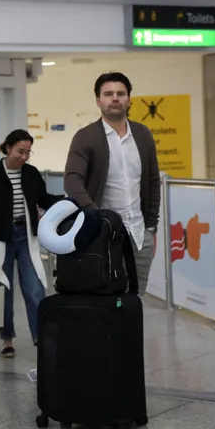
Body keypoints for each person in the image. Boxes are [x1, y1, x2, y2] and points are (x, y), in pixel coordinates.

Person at [63, 71, 161, 293]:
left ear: (129, 99)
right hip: (103, 236)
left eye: (120, 93)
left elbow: (153, 182)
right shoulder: (86, 136)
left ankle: (130, 329)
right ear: (98, 100)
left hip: (139, 235)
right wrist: (95, 217)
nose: (115, 98)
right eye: (108, 94)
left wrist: (151, 227)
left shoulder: (143, 134)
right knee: (108, 302)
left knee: (134, 300)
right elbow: (72, 181)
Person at [0, 130, 61, 357]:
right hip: (1, 238)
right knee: (4, 290)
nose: (23, 157)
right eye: (20, 151)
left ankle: (39, 336)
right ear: (9, 148)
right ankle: (7, 339)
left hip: (26, 236)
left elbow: (43, 199)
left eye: (27, 152)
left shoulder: (31, 174)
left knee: (35, 289)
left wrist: (66, 199)